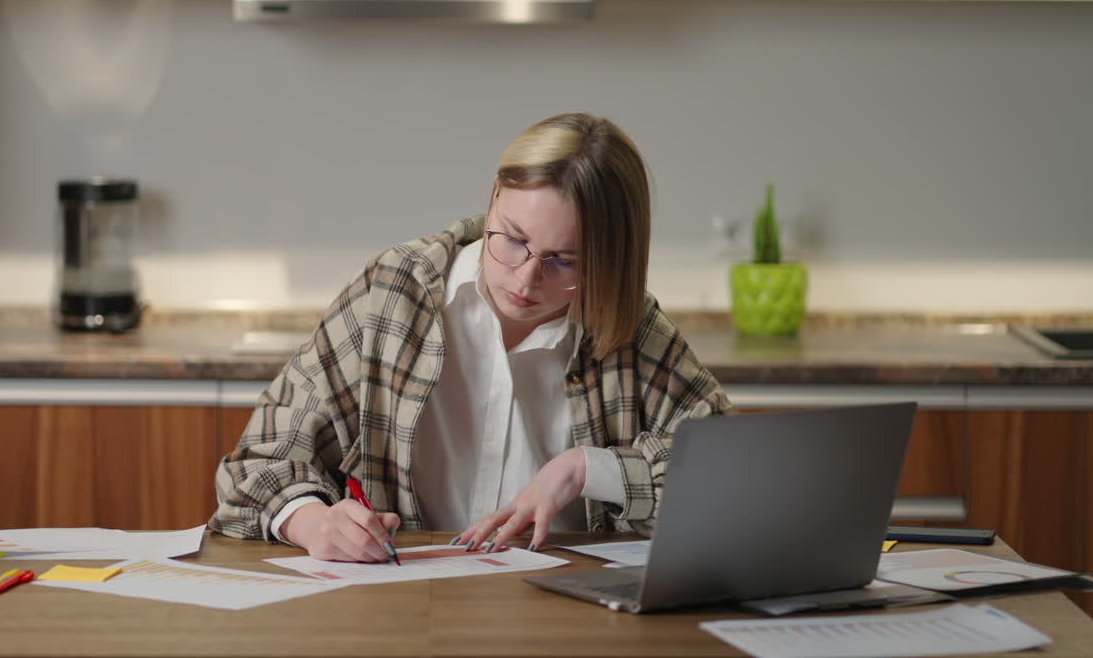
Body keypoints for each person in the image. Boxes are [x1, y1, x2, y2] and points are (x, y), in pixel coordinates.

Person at [210, 112, 732, 562]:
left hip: (572, 621)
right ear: (494, 198)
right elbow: (260, 459)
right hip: (395, 604)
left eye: (564, 260)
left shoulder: (631, 329)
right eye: (512, 239)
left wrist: (590, 469)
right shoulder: (395, 292)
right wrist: (313, 523)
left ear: (611, 261)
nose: (525, 279)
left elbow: (735, 479)